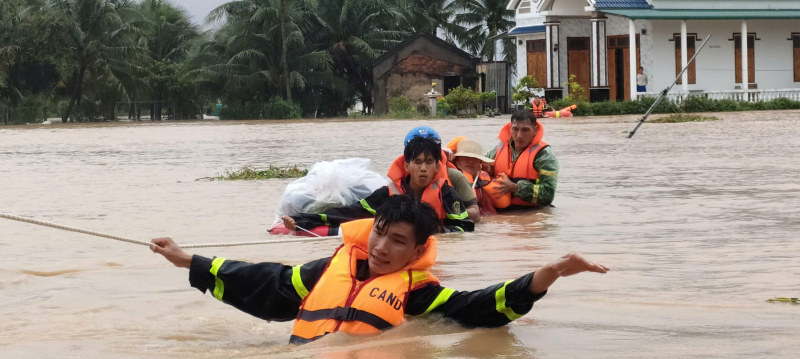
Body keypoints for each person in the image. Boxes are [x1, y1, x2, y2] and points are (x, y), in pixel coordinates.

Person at [151, 196, 609, 345]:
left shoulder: (417, 293)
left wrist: (549, 272)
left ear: (417, 252)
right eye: (380, 233)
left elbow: (480, 307)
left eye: (397, 242)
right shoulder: (328, 270)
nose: (382, 248)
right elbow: (264, 281)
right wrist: (188, 259)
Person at [282, 129, 474, 233]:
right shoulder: (387, 193)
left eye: (429, 163)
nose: (423, 168)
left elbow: (466, 226)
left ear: (437, 166)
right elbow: (349, 213)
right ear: (407, 166)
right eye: (417, 162)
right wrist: (301, 220)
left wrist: (439, 233)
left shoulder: (447, 193)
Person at [485, 110, 559, 209]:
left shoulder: (545, 155)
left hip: (532, 212)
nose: (519, 135)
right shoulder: (495, 152)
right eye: (515, 129)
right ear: (510, 129)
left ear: (535, 130)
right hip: (501, 214)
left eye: (525, 130)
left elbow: (548, 195)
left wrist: (515, 188)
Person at [451, 139, 508, 214]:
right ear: (457, 161)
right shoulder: (450, 179)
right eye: (466, 157)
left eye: (474, 158)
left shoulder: (486, 180)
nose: (470, 161)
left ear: (480, 163)